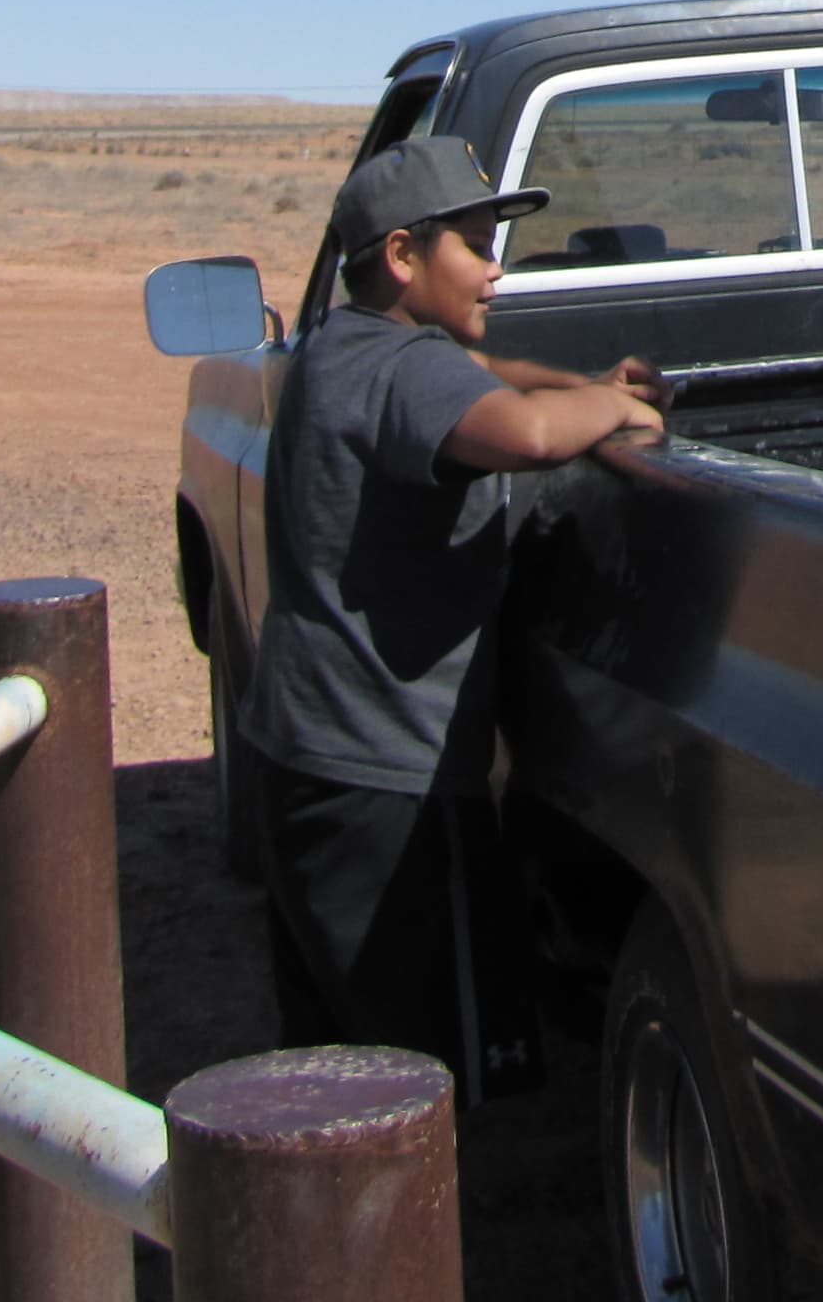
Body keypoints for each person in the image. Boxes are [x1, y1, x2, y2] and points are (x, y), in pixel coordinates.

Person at [240, 133, 668, 1090]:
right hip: (392, 784)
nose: (494, 271)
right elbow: (520, 431)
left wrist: (581, 384)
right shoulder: (406, 373)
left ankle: (319, 1230)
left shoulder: (339, 351)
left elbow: (493, 379)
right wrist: (617, 416)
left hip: (306, 755)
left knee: (334, 1057)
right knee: (423, 1080)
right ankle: (420, 1239)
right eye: (475, 247)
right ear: (403, 256)